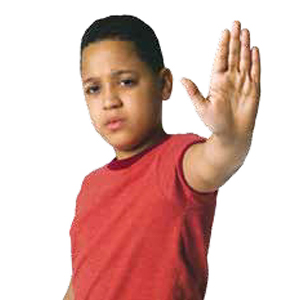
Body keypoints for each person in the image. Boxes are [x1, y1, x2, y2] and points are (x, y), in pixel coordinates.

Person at [63, 15, 261, 300]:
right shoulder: (89, 187)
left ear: (164, 84)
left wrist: (232, 136)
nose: (109, 101)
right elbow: (82, 279)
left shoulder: (178, 162)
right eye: (94, 88)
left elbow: (219, 158)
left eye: (127, 82)